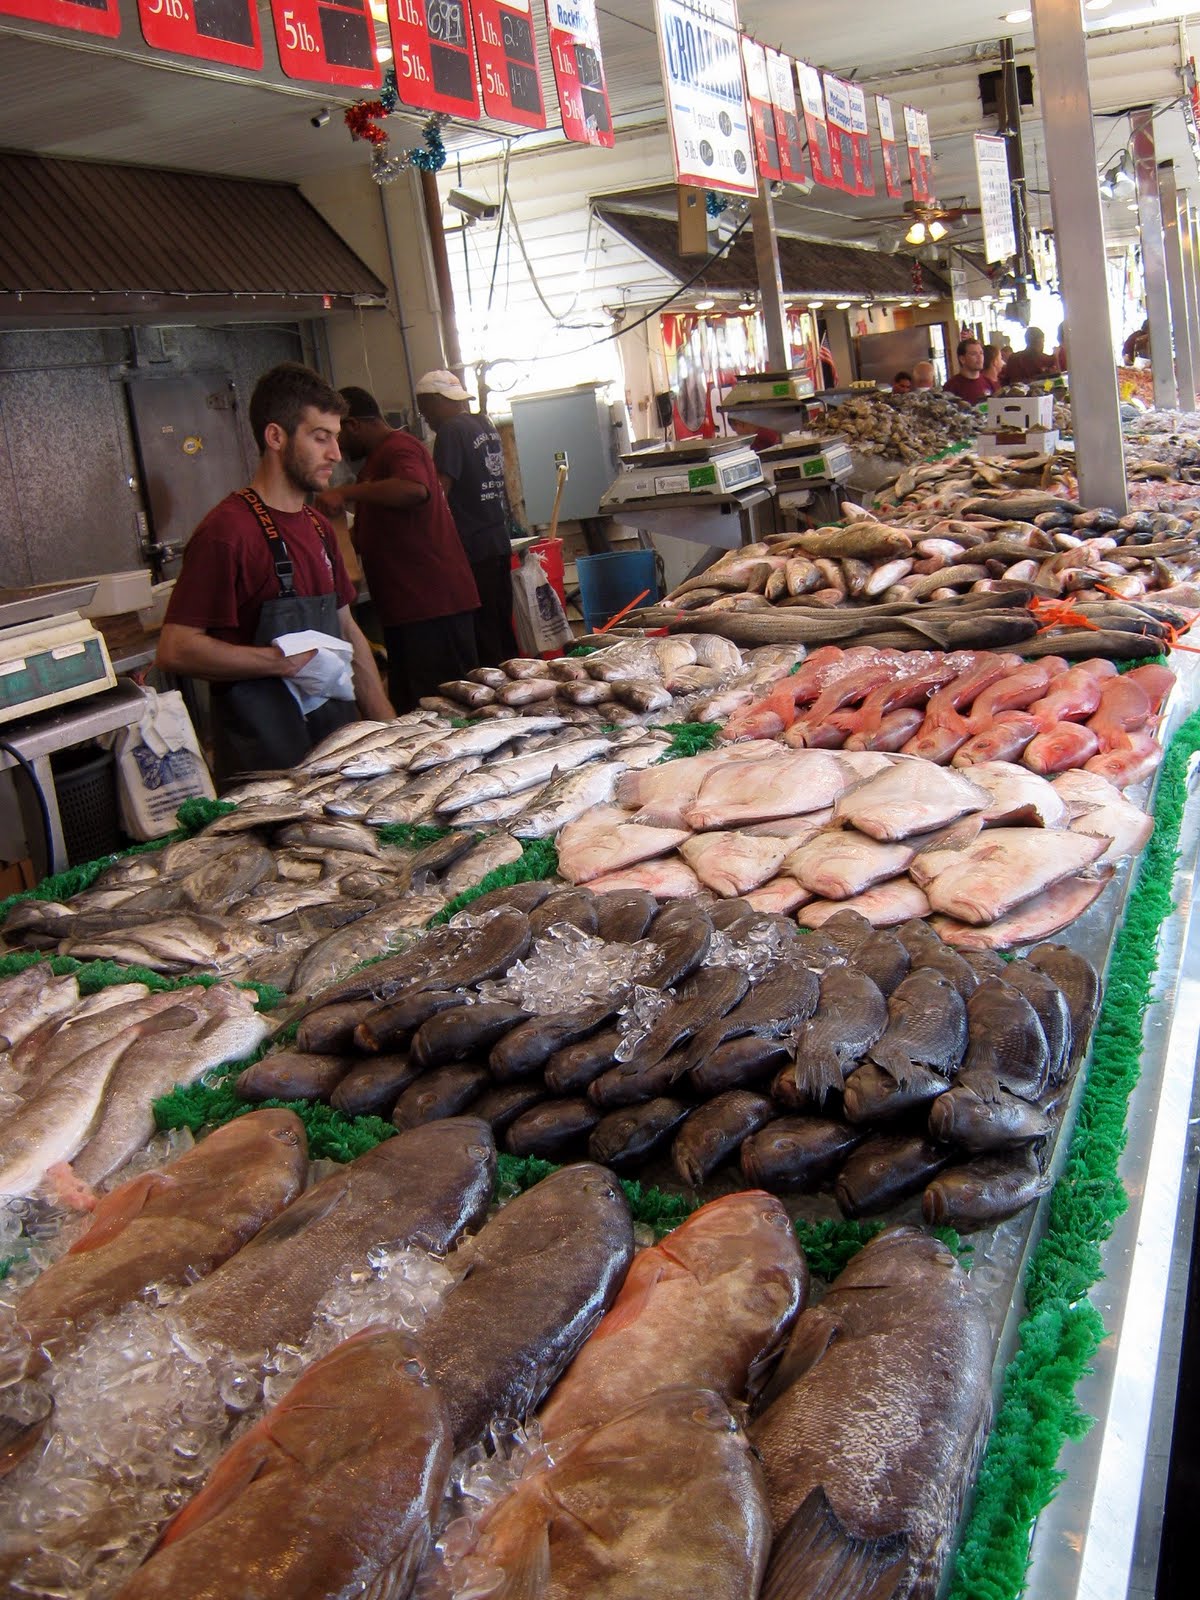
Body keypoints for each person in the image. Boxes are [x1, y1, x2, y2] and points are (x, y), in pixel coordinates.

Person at [156, 362, 392, 788]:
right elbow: (176, 649)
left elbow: (347, 631)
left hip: (338, 758)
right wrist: (275, 662)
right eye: (320, 438)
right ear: (276, 437)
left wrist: (391, 733)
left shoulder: (318, 527)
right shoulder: (226, 532)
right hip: (266, 774)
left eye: (336, 438)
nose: (335, 454)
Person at [320, 386, 479, 713]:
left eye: (336, 436)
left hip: (433, 607)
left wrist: (344, 493)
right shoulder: (376, 465)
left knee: (445, 709)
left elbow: (414, 490)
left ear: (353, 426)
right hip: (407, 610)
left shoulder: (399, 447)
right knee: (415, 707)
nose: (335, 449)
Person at [413, 370, 518, 668]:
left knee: (482, 631)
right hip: (497, 539)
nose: (427, 418)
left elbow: (440, 491)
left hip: (472, 545)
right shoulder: (482, 423)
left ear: (438, 400)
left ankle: (496, 695)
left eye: (425, 409)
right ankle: (516, 681)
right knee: (500, 624)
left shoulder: (450, 431)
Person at [943, 338, 995, 404]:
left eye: (981, 353)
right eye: (974, 354)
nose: (979, 357)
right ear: (962, 359)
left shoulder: (989, 383)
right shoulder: (951, 386)